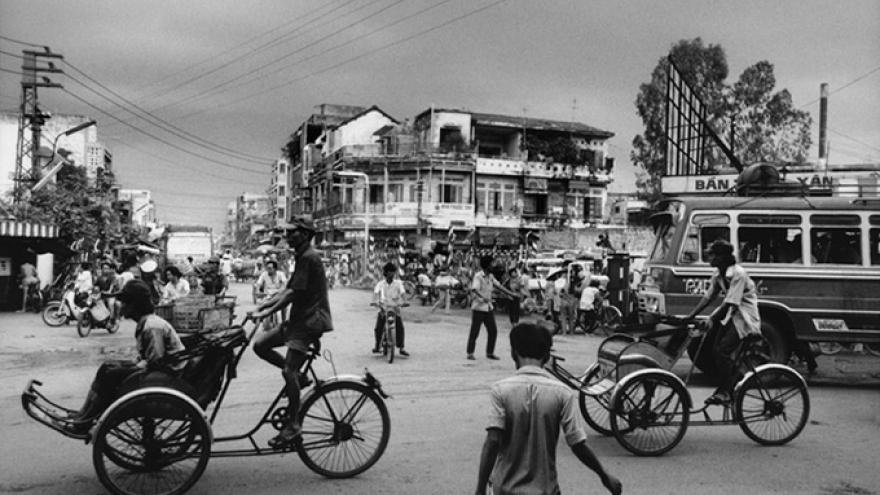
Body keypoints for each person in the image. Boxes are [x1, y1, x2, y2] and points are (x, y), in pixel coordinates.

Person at [475, 323, 623, 495]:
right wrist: (604, 475)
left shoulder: (501, 390)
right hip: (546, 489)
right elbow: (578, 444)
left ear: (513, 353)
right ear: (546, 356)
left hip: (505, 489)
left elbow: (493, 441)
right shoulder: (562, 393)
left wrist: (480, 489)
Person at [253, 216, 333, 450]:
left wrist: (264, 313)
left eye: (293, 232)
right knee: (260, 346)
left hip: (309, 323)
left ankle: (294, 425)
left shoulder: (309, 257)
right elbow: (287, 289)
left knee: (288, 371)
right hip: (297, 320)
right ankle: (300, 378)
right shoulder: (301, 256)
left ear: (305, 234)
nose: (288, 236)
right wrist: (263, 307)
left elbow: (292, 295)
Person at [64, 280, 185, 434]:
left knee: (112, 374)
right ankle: (84, 414)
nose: (121, 306)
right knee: (106, 367)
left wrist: (133, 367)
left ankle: (85, 422)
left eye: (125, 302)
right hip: (154, 367)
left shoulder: (152, 326)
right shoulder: (145, 322)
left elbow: (156, 360)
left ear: (134, 305)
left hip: (166, 374)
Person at [686, 238, 762, 405]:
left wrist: (711, 319)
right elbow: (708, 297)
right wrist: (690, 316)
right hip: (732, 315)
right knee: (713, 350)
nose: (708, 258)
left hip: (744, 318)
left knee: (722, 352)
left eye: (711, 255)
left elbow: (731, 302)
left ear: (720, 258)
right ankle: (729, 384)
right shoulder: (718, 274)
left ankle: (726, 391)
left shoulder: (738, 274)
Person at [467, 255, 516, 361]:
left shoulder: (490, 276)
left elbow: (499, 286)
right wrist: (483, 297)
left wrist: (510, 294)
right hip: (479, 307)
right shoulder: (478, 276)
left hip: (488, 307)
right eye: (492, 263)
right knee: (475, 331)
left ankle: (490, 352)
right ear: (487, 265)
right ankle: (470, 352)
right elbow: (475, 289)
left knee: (493, 330)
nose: (494, 265)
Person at [371, 262, 409, 356]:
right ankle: (377, 345)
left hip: (395, 307)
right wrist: (374, 301)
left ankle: (401, 347)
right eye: (390, 272)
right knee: (378, 327)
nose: (392, 274)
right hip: (383, 307)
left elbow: (403, 294)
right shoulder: (380, 284)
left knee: (400, 326)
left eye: (393, 272)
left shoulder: (398, 283)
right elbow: (375, 294)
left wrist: (404, 301)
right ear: (386, 273)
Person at [95, 260, 120, 325]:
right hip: (102, 295)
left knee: (110, 304)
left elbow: (111, 287)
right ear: (101, 269)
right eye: (104, 268)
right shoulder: (99, 278)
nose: (105, 270)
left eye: (107, 268)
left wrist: (108, 291)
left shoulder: (112, 277)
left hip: (111, 295)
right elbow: (95, 286)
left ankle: (110, 319)